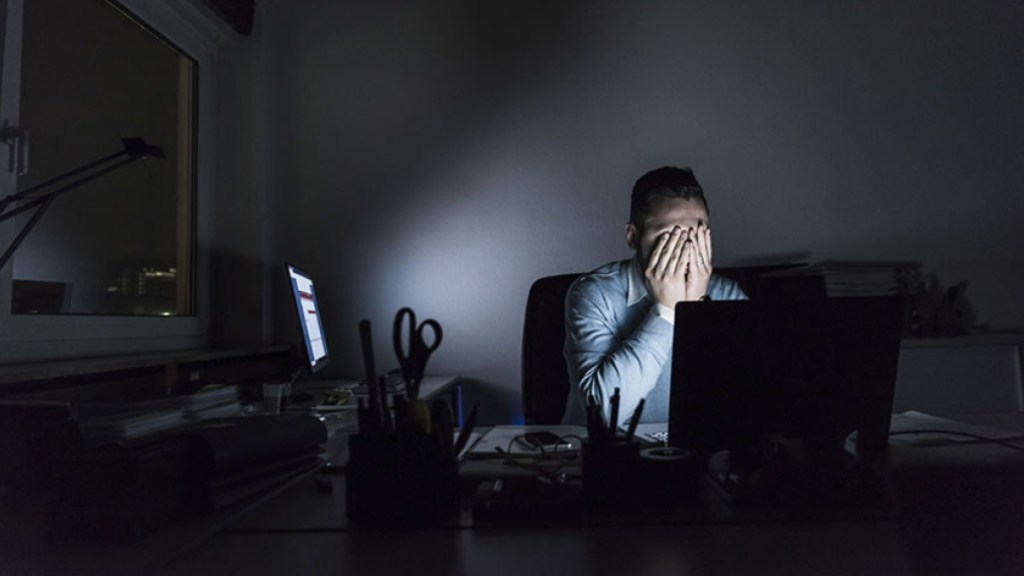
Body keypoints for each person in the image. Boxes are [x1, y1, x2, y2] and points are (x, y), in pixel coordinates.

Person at [562, 166, 747, 427]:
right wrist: (668, 310)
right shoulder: (594, 294)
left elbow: (739, 399)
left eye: (696, 235)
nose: (683, 250)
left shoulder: (727, 295)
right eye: (667, 237)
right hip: (607, 455)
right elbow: (601, 413)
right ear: (632, 237)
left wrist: (696, 310)